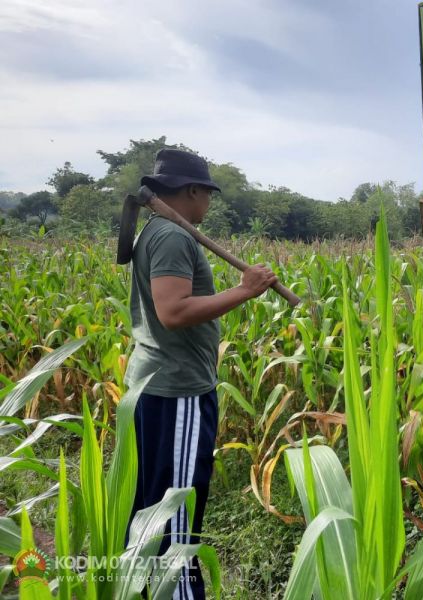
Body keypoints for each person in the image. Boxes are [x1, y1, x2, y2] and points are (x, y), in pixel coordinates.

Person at [124, 148, 277, 599]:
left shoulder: (161, 230)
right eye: (207, 193)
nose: (209, 202)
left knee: (152, 504)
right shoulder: (172, 236)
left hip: (156, 385)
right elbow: (173, 311)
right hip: (178, 393)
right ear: (192, 191)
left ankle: (144, 587)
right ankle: (178, 592)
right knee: (178, 510)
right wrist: (245, 291)